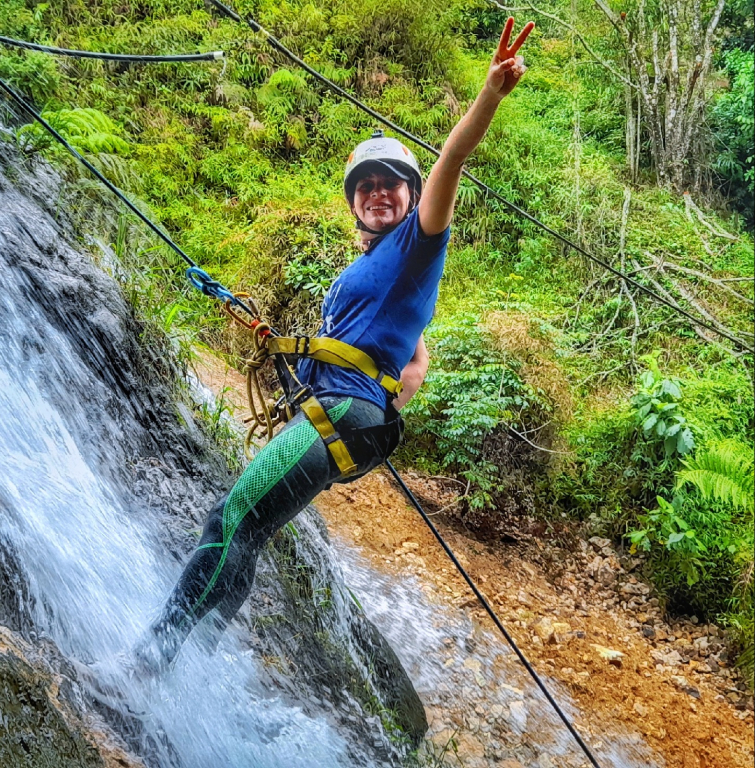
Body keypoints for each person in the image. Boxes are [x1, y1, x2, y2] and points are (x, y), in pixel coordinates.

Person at [135, 17, 535, 673]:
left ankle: (155, 656)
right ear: (354, 203)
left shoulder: (418, 243)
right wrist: (384, 387)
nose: (379, 193)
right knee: (249, 533)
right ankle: (196, 664)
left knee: (230, 520)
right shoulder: (372, 273)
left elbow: (452, 160)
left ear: (411, 198)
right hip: (342, 411)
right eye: (366, 186)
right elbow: (416, 356)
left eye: (392, 184)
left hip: (337, 416)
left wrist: (489, 94)